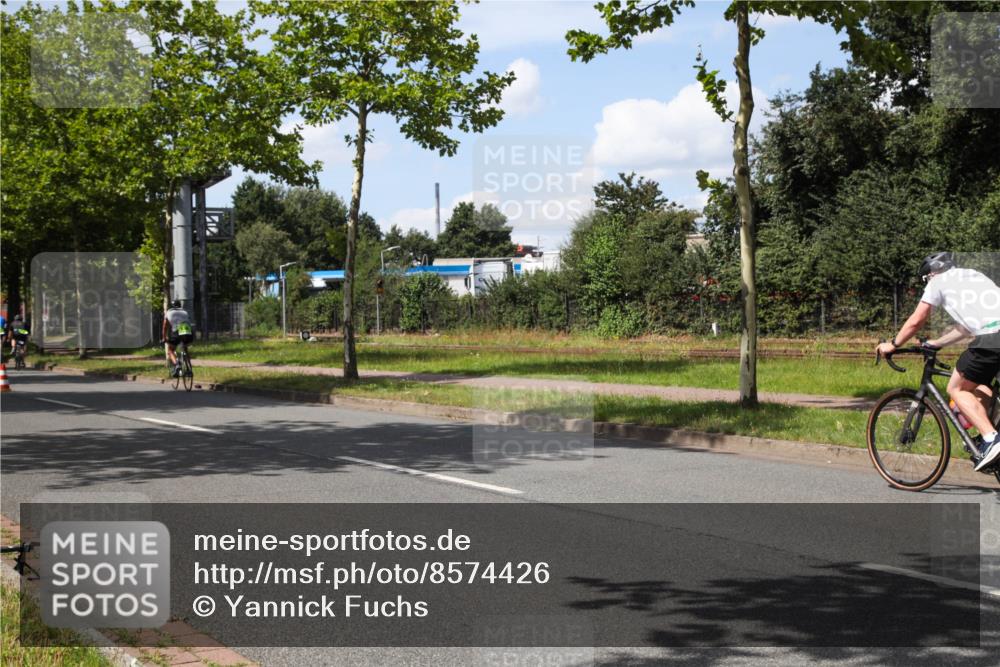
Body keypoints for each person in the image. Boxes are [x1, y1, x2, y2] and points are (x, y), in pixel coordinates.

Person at [876, 252, 1000, 472]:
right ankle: (989, 433)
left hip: (992, 338)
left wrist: (893, 344)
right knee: (981, 384)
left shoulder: (937, 282)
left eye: (925, 279)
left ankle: (991, 439)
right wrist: (937, 343)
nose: (927, 283)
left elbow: (917, 320)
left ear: (931, 274)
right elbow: (965, 327)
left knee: (956, 388)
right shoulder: (973, 275)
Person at [162, 300, 194, 377]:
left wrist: (164, 337)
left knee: (170, 350)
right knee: (185, 348)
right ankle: (189, 369)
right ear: (180, 305)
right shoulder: (185, 311)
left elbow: (165, 326)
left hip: (177, 331)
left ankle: (177, 364)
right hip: (188, 331)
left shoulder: (169, 312)